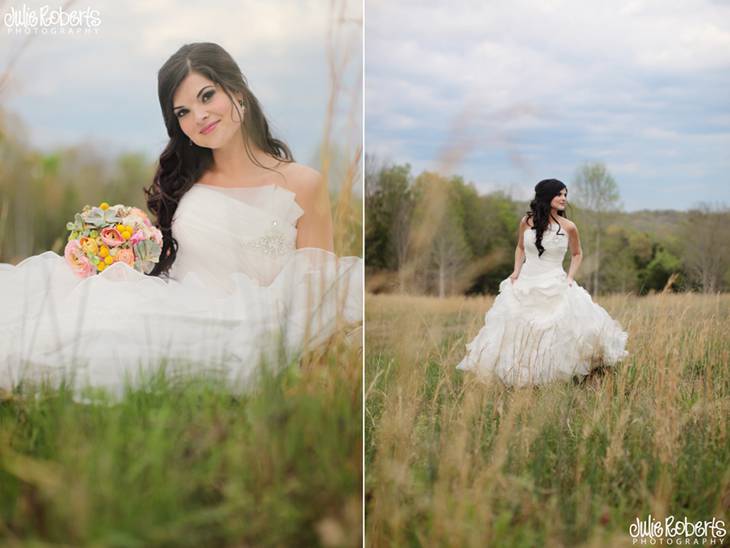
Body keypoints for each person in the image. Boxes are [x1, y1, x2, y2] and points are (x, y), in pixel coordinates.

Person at [0, 42, 362, 399]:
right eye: (183, 112)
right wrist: (124, 251)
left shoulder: (304, 183)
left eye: (207, 96)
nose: (199, 116)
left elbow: (318, 287)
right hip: (169, 303)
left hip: (251, 321)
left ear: (237, 91)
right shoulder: (186, 181)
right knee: (72, 318)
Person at [456, 178, 627, 386]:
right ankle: (522, 376)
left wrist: (570, 277)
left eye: (565, 194)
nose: (564, 198)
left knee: (558, 328)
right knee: (517, 328)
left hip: (555, 282)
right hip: (526, 282)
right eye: (559, 194)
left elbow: (577, 254)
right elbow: (520, 247)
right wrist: (516, 271)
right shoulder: (527, 222)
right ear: (547, 196)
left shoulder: (569, 227)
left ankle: (561, 376)